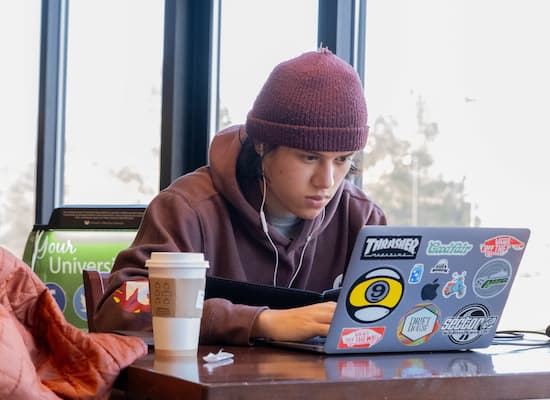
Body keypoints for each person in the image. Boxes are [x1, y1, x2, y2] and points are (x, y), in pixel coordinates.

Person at [94, 48, 387, 345]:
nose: (327, 181)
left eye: (342, 160)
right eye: (309, 158)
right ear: (261, 145)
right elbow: (122, 304)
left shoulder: (363, 219)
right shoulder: (187, 209)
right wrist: (259, 321)